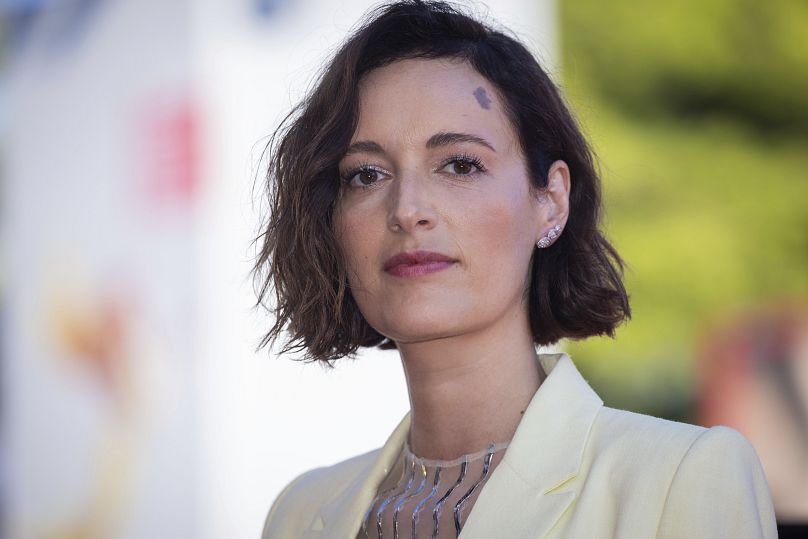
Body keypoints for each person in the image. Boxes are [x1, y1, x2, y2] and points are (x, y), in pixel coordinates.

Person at [254, 1, 777, 537]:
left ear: (550, 200)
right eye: (366, 175)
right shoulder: (299, 513)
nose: (408, 209)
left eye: (460, 164)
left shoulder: (676, 480)